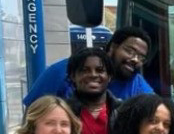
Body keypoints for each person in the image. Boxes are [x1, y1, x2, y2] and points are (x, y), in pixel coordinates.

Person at [23, 26, 154, 106]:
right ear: (113, 47)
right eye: (129, 51)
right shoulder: (61, 71)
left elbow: (157, 111)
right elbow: (32, 114)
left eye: (141, 57)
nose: (135, 59)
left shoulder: (136, 84)